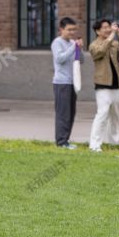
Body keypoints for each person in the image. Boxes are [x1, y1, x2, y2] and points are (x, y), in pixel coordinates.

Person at [88, 19, 119, 152]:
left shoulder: (115, 43)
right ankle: (94, 145)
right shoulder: (94, 45)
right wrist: (112, 35)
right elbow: (99, 51)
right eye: (105, 28)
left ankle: (114, 143)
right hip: (103, 86)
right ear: (97, 31)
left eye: (109, 27)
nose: (108, 29)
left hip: (116, 86)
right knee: (102, 115)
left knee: (115, 117)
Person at [51, 17, 83, 149]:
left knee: (70, 113)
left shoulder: (72, 43)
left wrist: (79, 49)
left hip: (72, 83)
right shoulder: (57, 42)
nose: (72, 32)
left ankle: (66, 140)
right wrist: (73, 47)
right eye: (69, 29)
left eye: (74, 30)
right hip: (61, 83)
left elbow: (80, 60)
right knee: (63, 113)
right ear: (61, 29)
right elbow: (60, 59)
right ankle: (61, 142)